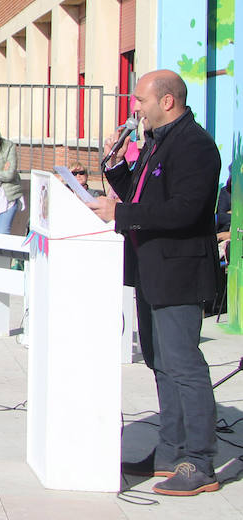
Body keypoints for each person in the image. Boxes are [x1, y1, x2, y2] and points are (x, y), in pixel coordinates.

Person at [88, 69, 222, 496]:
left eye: (140, 101)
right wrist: (116, 163)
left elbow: (184, 210)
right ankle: (170, 452)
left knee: (184, 366)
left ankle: (200, 462)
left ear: (167, 101)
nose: (135, 108)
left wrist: (120, 215)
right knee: (161, 364)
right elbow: (141, 195)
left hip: (179, 273)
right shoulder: (156, 143)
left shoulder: (195, 145)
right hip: (151, 270)